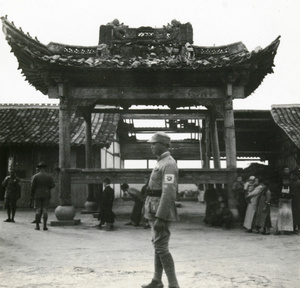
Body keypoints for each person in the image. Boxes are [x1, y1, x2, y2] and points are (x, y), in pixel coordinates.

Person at [142, 132, 180, 288]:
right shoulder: (161, 162)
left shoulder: (169, 164)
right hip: (153, 206)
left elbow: (169, 192)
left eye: (154, 143)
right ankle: (157, 280)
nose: (151, 146)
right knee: (158, 246)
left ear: (164, 145)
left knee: (161, 247)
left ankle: (173, 284)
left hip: (159, 210)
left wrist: (161, 217)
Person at [30, 161, 55, 231]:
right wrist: (47, 188)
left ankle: (37, 226)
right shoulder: (49, 176)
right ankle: (44, 226)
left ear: (39, 168)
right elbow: (53, 185)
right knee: (45, 210)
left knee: (37, 210)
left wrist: (32, 196)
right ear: (45, 168)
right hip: (46, 194)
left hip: (37, 194)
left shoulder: (35, 176)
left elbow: (32, 187)